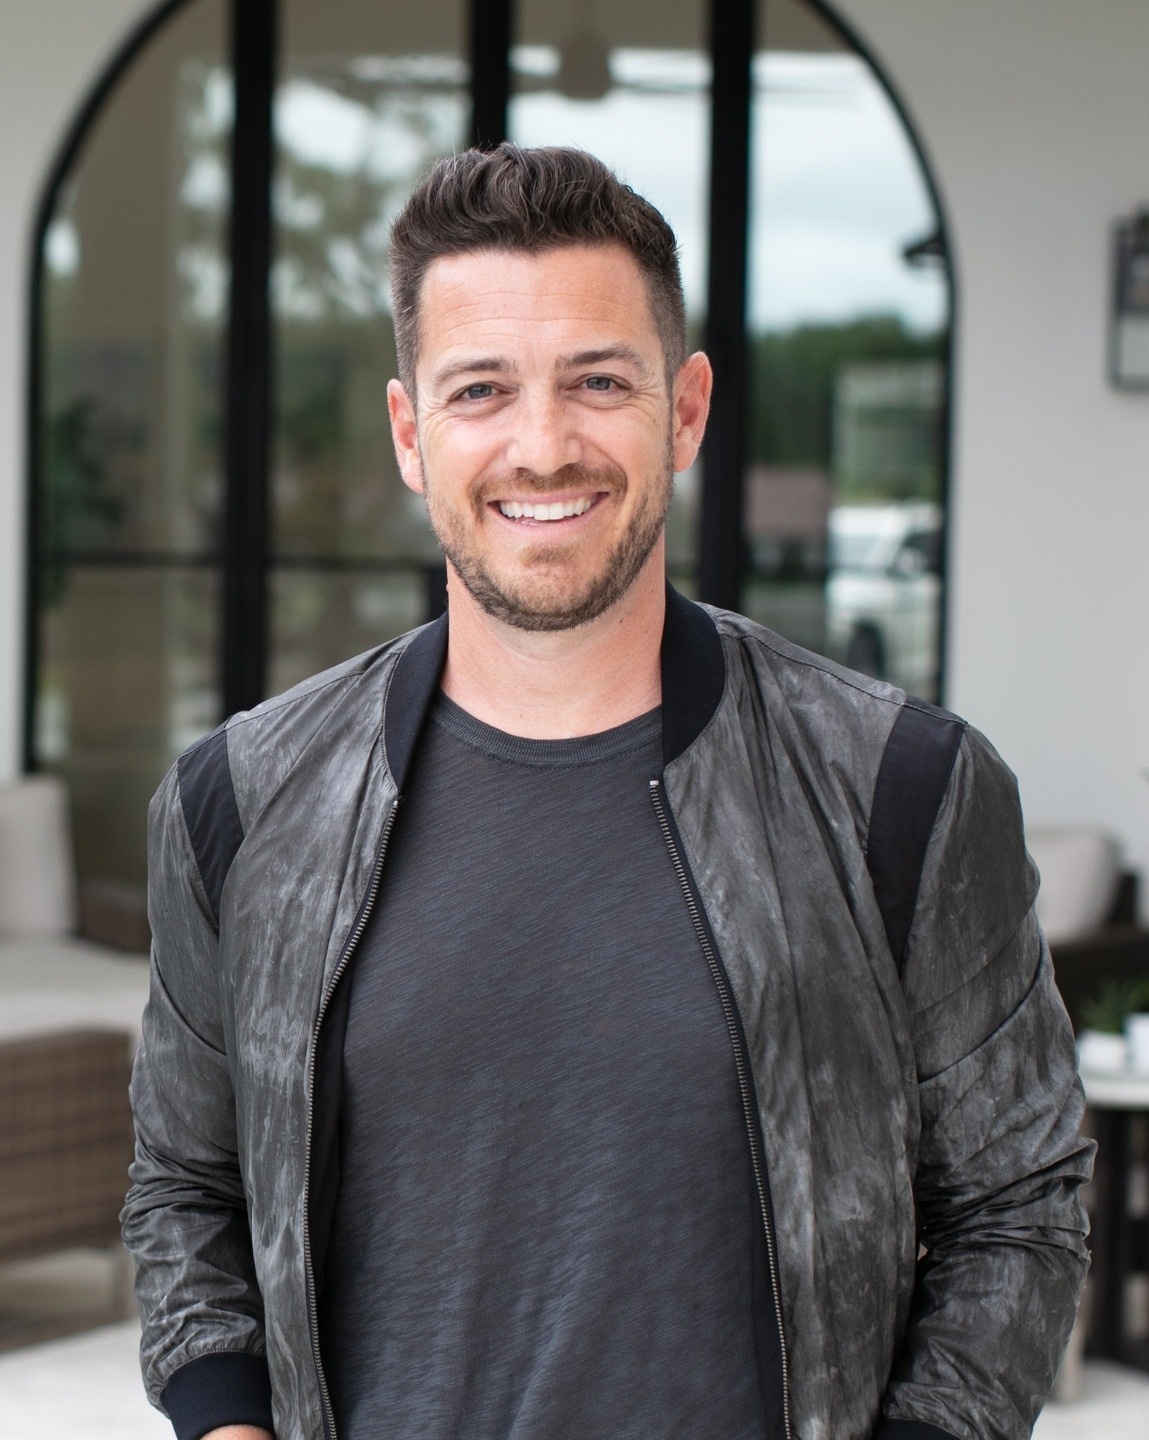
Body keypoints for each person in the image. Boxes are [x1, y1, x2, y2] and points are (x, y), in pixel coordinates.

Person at [123, 144, 1092, 1440]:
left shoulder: (901, 790)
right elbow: (187, 1190)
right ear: (411, 434)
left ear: (684, 411)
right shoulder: (239, 805)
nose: (542, 447)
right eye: (481, 389)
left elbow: (1017, 1205)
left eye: (597, 381)